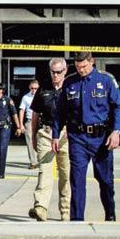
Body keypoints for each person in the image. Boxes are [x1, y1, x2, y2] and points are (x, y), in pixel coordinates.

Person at [52, 52, 120, 221]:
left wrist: (116, 131)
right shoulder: (70, 82)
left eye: (84, 66)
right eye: (78, 67)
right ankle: (77, 221)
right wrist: (56, 135)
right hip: (78, 138)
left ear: (92, 62)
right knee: (76, 182)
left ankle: (110, 215)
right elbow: (60, 112)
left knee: (105, 180)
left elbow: (118, 106)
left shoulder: (105, 81)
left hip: (101, 138)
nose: (81, 70)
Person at [28, 57, 70, 222]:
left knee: (66, 174)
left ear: (65, 71)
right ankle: (41, 208)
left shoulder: (71, 87)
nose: (55, 75)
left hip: (66, 135)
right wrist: (33, 136)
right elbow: (35, 114)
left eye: (58, 72)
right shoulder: (43, 88)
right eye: (53, 72)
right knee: (44, 171)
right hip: (45, 133)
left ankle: (65, 211)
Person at [19, 79, 40, 169]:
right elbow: (22, 110)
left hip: (41, 121)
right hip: (30, 121)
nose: (34, 90)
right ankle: (33, 162)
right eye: (32, 88)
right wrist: (21, 124)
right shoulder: (25, 97)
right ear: (29, 87)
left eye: (36, 88)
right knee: (30, 142)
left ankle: (42, 160)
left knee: (42, 141)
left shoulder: (42, 96)